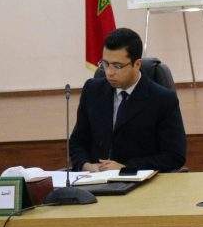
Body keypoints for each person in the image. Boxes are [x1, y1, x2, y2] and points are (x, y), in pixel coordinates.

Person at [69, 28, 187, 172]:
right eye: (105, 64)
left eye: (117, 66)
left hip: (138, 180)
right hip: (95, 178)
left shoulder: (163, 100)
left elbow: (174, 156)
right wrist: (85, 165)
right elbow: (77, 142)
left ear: (137, 64)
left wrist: (126, 168)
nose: (109, 72)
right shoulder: (92, 90)